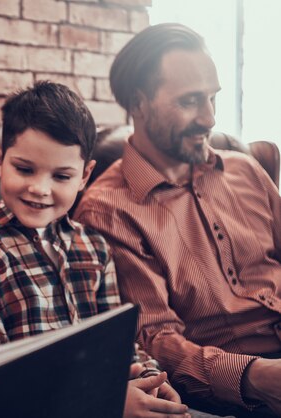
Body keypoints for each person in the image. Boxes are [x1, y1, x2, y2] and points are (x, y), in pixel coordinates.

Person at [0, 81, 191, 418]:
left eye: (61, 176)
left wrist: (149, 378)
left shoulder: (93, 247)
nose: (40, 189)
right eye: (25, 169)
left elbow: (115, 343)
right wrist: (103, 400)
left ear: (84, 177)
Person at [74, 23, 281, 416]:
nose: (209, 118)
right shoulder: (109, 211)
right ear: (139, 103)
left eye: (212, 99)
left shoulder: (246, 170)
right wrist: (256, 377)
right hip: (239, 390)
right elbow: (157, 343)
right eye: (189, 102)